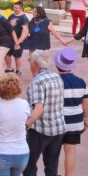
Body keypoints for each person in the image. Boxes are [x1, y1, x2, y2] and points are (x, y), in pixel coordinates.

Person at [24, 50, 66, 176]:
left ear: (35, 64)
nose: (29, 63)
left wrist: (25, 125)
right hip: (58, 129)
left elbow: (39, 109)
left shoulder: (37, 82)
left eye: (30, 60)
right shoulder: (57, 77)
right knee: (51, 167)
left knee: (29, 166)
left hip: (40, 130)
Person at [53, 47, 88, 176]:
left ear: (57, 65)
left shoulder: (54, 82)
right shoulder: (81, 82)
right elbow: (86, 104)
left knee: (53, 152)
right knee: (71, 151)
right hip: (75, 122)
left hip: (57, 122)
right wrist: (85, 119)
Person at [5, 2, 29, 76]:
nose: (14, 9)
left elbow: (25, 32)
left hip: (18, 40)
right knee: (7, 54)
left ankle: (18, 70)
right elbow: (7, 25)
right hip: (9, 39)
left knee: (17, 56)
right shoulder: (11, 15)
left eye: (16, 8)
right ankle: (9, 68)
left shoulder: (24, 18)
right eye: (14, 7)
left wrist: (18, 42)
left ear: (21, 8)